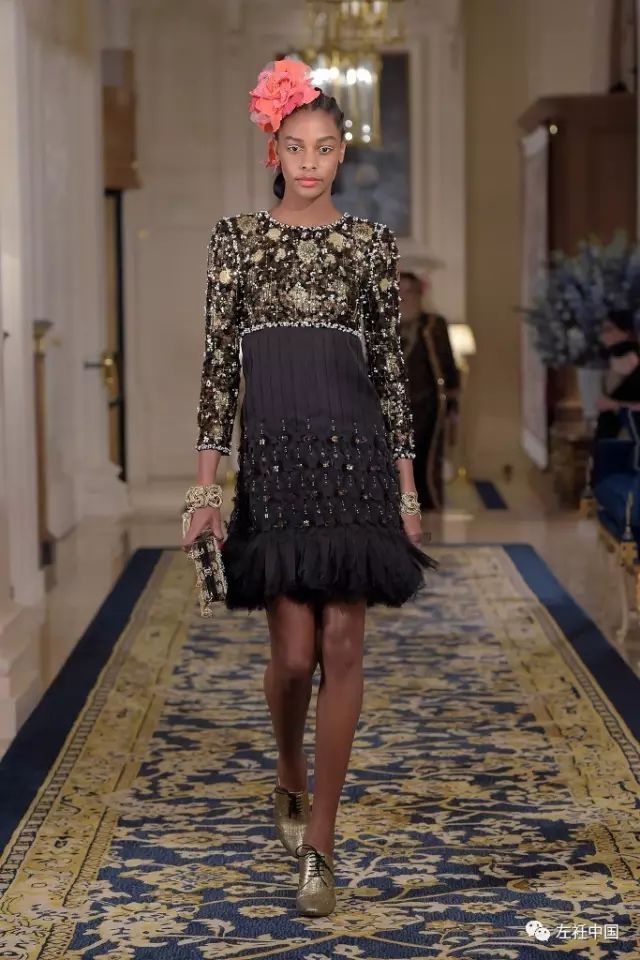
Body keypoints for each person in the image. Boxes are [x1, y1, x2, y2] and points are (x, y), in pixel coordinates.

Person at [180, 59, 436, 918]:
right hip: (280, 461)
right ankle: (288, 767)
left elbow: (391, 378)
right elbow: (219, 369)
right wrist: (205, 490)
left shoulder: (369, 245)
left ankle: (321, 845)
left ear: (342, 154)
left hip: (355, 459)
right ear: (274, 149)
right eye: (296, 147)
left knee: (345, 647)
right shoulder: (237, 241)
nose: (311, 162)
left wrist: (406, 487)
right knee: (293, 657)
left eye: (325, 148)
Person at [398, 271, 460, 510]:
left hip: (426, 407)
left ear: (419, 295)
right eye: (399, 292)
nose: (404, 298)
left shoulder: (434, 325)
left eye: (409, 292)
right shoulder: (383, 325)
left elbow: (448, 366)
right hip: (392, 408)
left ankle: (427, 504)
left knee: (425, 458)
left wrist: (453, 407)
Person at [595, 309, 640, 440]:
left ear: (626, 333)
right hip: (610, 435)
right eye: (603, 330)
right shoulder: (609, 363)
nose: (604, 335)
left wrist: (616, 405)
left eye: (609, 330)